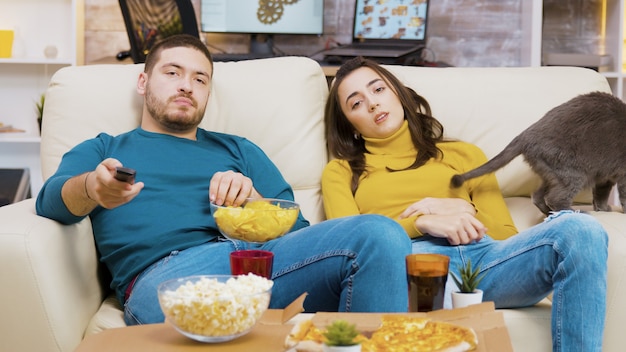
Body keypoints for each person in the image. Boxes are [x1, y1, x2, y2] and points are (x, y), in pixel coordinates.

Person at [35, 35, 412, 325]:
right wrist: (93, 188)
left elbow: (298, 230)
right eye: (173, 73)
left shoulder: (239, 150)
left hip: (259, 263)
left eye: (200, 79)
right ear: (142, 82)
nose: (187, 85)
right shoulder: (106, 148)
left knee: (381, 234)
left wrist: (254, 203)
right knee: (199, 305)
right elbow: (51, 201)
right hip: (167, 275)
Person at [321, 56, 608, 352]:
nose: (372, 104)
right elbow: (351, 245)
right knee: (434, 308)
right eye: (356, 103)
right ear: (350, 126)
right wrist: (421, 220)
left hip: (485, 257)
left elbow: (505, 234)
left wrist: (463, 210)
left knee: (581, 228)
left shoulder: (464, 154)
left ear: (398, 93)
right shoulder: (341, 172)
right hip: (413, 262)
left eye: (378, 90)